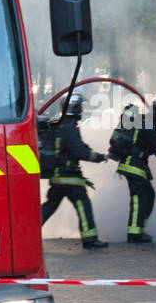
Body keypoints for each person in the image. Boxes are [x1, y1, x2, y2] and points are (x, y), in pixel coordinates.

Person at [40, 93, 109, 249]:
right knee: (83, 205)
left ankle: (26, 232)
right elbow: (80, 151)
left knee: (49, 206)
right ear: (75, 108)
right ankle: (90, 240)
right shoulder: (69, 128)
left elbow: (78, 147)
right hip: (69, 177)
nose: (82, 110)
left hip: (58, 176)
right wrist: (100, 157)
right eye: (80, 107)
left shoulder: (59, 124)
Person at [115, 98, 156, 243]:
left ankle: (139, 228)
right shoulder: (150, 125)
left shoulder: (149, 123)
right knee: (140, 197)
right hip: (133, 165)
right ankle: (134, 233)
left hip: (137, 165)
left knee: (149, 195)